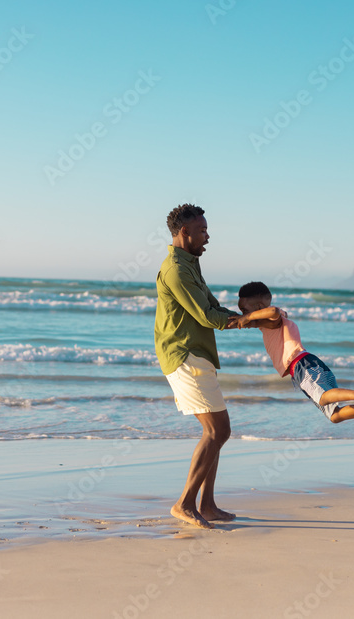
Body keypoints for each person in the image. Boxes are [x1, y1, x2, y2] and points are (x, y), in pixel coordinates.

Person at [155, 204, 240, 529]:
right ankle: (184, 503)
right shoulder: (176, 269)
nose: (207, 235)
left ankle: (207, 504)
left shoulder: (189, 264)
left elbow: (214, 306)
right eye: (202, 230)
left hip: (196, 354)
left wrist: (257, 317)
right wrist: (249, 321)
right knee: (219, 431)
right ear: (184, 233)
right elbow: (208, 317)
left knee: (214, 432)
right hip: (183, 355)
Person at [235, 281, 354, 430]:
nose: (242, 314)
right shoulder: (269, 321)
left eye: (244, 310)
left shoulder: (274, 317)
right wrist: (246, 318)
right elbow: (259, 320)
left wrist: (248, 317)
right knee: (334, 415)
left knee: (323, 398)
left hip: (302, 364)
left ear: (258, 306)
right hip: (305, 366)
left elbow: (273, 311)